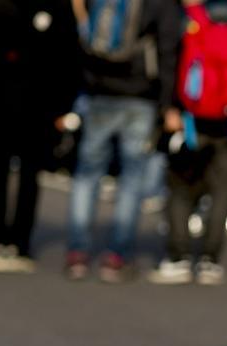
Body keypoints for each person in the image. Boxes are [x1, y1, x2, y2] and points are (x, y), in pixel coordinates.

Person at [147, 0, 227, 286]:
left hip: (190, 118)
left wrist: (170, 108)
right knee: (222, 188)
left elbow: (170, 61)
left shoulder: (190, 18)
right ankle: (209, 260)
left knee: (180, 185)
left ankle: (178, 257)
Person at [63, 0, 182, 282]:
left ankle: (78, 253)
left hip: (98, 92)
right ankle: (116, 256)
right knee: (131, 178)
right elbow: (168, 51)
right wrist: (168, 104)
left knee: (87, 173)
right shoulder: (159, 5)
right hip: (139, 96)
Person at [0, 0, 82, 272]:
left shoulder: (55, 6)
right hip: (3, 102)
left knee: (29, 173)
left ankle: (19, 241)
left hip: (38, 106)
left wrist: (63, 106)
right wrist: (10, 54)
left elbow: (69, 55)